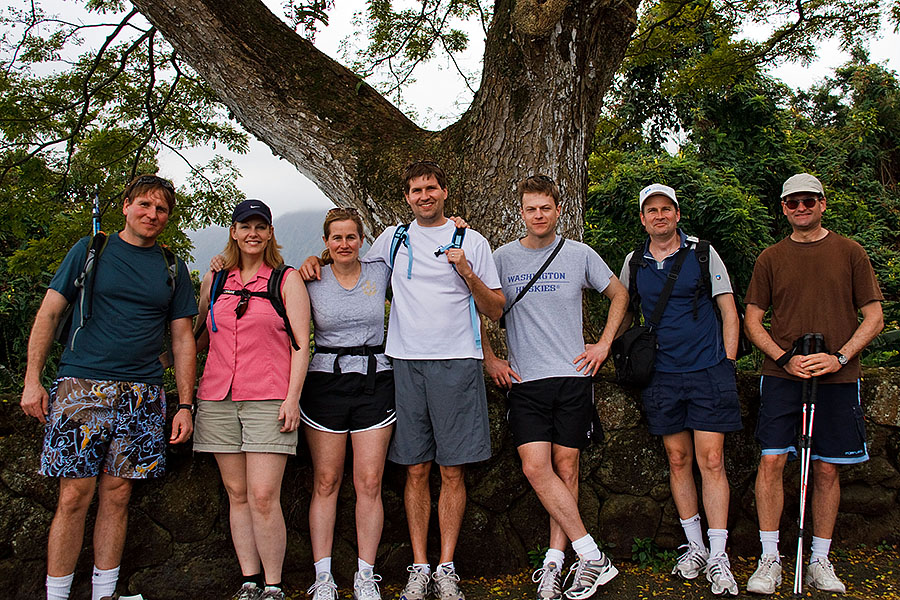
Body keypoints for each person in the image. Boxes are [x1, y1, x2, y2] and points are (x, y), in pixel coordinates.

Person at [300, 160, 504, 600]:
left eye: (431, 187)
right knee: (415, 468)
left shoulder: (473, 241)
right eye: (416, 190)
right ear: (407, 197)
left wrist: (467, 271)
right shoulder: (392, 239)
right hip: (403, 363)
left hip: (456, 360)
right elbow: (349, 261)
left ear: (445, 191)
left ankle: (446, 567)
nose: (424, 195)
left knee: (452, 470)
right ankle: (419, 566)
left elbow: (496, 309)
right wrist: (311, 262)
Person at [20, 175, 198, 600]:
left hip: (142, 392)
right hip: (82, 384)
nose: (152, 215)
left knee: (118, 494)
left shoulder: (171, 266)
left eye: (161, 209)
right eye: (145, 205)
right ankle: (57, 593)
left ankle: (106, 591)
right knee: (74, 494)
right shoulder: (90, 251)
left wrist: (185, 403)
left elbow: (182, 338)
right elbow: (48, 314)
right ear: (125, 206)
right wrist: (32, 380)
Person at [482, 175, 628, 600]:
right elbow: (481, 306)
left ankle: (556, 561)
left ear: (558, 210)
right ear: (522, 213)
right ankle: (593, 555)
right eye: (531, 208)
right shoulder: (503, 258)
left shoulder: (579, 254)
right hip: (526, 379)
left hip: (573, 377)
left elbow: (619, 293)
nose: (539, 215)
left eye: (546, 207)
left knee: (567, 468)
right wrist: (491, 357)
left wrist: (603, 343)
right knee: (535, 467)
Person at [743, 173, 883, 595]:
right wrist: (785, 358)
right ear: (783, 208)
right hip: (782, 376)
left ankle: (819, 559)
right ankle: (770, 559)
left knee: (825, 468)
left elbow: (874, 316)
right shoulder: (770, 257)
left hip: (837, 376)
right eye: (792, 202)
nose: (800, 208)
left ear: (823, 203)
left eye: (808, 201)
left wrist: (839, 356)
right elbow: (753, 319)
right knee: (771, 462)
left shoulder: (850, 252)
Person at [618, 184, 742, 596]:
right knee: (677, 458)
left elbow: (727, 307)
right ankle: (695, 547)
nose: (659, 216)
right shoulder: (634, 262)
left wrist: (727, 360)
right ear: (642, 218)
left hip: (708, 369)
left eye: (665, 209)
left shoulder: (703, 253)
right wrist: (607, 351)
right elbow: (623, 313)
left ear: (676, 213)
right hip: (661, 374)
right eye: (651, 210)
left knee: (711, 460)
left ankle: (720, 553)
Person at [194, 199, 310, 600]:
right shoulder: (217, 281)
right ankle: (249, 580)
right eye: (245, 226)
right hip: (217, 397)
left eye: (261, 226)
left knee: (263, 496)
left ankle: (273, 584)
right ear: (233, 231)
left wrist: (292, 398)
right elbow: (200, 337)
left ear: (271, 232)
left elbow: (301, 345)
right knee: (237, 494)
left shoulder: (285, 280)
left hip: (268, 397)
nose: (253, 234)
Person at [301, 207, 394, 600]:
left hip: (376, 377)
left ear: (362, 240)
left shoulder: (379, 270)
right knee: (326, 481)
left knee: (369, 482)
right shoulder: (310, 278)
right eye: (336, 238)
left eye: (351, 237)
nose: (344, 244)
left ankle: (365, 575)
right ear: (325, 242)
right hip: (326, 380)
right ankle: (323, 576)